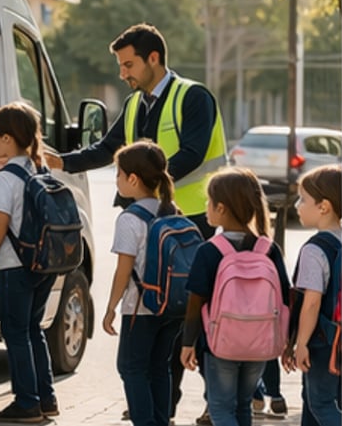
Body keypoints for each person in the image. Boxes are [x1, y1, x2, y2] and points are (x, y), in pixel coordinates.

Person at [45, 23, 227, 421]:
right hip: (149, 221)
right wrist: (65, 161)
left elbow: (194, 152)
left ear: (154, 59)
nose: (122, 74)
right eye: (121, 66)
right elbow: (110, 149)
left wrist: (153, 187)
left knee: (193, 316)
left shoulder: (193, 97)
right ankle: (160, 406)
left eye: (128, 65)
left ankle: (214, 404)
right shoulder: (133, 104)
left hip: (193, 222)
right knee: (162, 317)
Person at [180, 168, 291, 426]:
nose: (206, 207)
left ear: (221, 208)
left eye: (208, 201)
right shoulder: (268, 249)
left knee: (220, 408)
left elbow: (195, 302)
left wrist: (188, 343)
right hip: (261, 344)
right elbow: (285, 298)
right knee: (243, 406)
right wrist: (288, 342)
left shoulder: (209, 251)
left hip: (221, 344)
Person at [0, 102, 58, 423]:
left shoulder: (6, 177)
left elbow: (0, 222)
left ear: (8, 139)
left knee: (15, 332)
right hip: (45, 263)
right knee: (33, 329)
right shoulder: (40, 170)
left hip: (16, 264)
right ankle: (46, 398)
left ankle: (26, 403)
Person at [103, 141, 183, 426]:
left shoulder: (130, 219)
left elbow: (123, 270)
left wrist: (111, 307)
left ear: (132, 179)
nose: (117, 180)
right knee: (160, 367)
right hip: (172, 306)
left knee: (131, 368)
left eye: (118, 174)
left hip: (141, 306)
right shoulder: (172, 210)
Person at [282, 165, 342, 426]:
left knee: (320, 402)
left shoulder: (314, 249)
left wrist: (301, 343)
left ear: (324, 206)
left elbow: (311, 303)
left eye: (303, 199)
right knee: (317, 400)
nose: (297, 205)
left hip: (321, 340)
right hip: (339, 337)